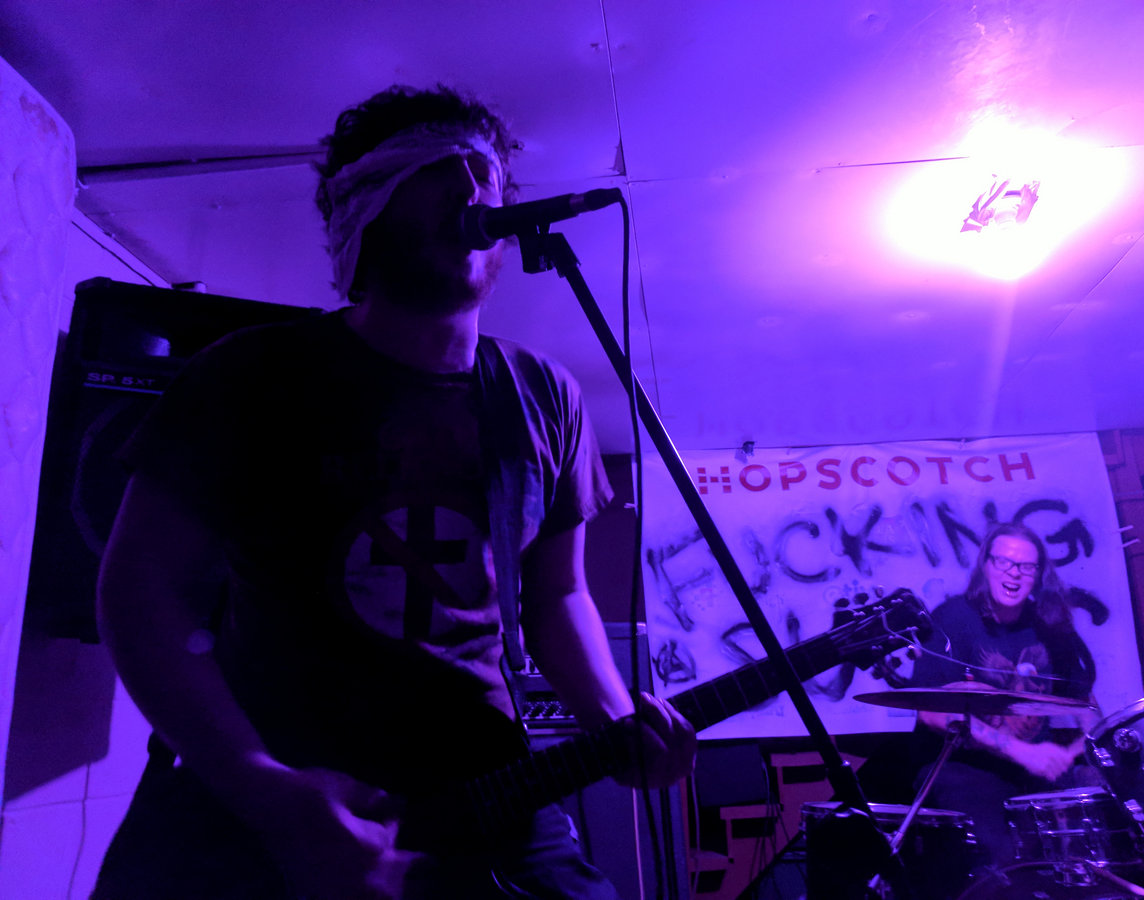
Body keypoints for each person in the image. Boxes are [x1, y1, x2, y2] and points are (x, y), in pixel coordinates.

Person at [92, 84, 696, 900]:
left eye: (488, 178)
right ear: (363, 207)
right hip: (275, 793)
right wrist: (266, 792)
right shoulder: (249, 374)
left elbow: (557, 596)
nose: (475, 192)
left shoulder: (545, 395)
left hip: (486, 783)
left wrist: (613, 717)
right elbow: (141, 593)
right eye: (441, 172)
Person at [908, 522, 1101, 870]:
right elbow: (931, 712)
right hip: (964, 768)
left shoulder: (1049, 624)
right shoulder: (953, 618)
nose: (1014, 573)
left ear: (1038, 574)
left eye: (1026, 566)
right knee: (1004, 861)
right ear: (986, 565)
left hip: (1033, 768)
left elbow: (1083, 700)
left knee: (1097, 835)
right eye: (1004, 562)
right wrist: (1022, 751)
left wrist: (1086, 750)